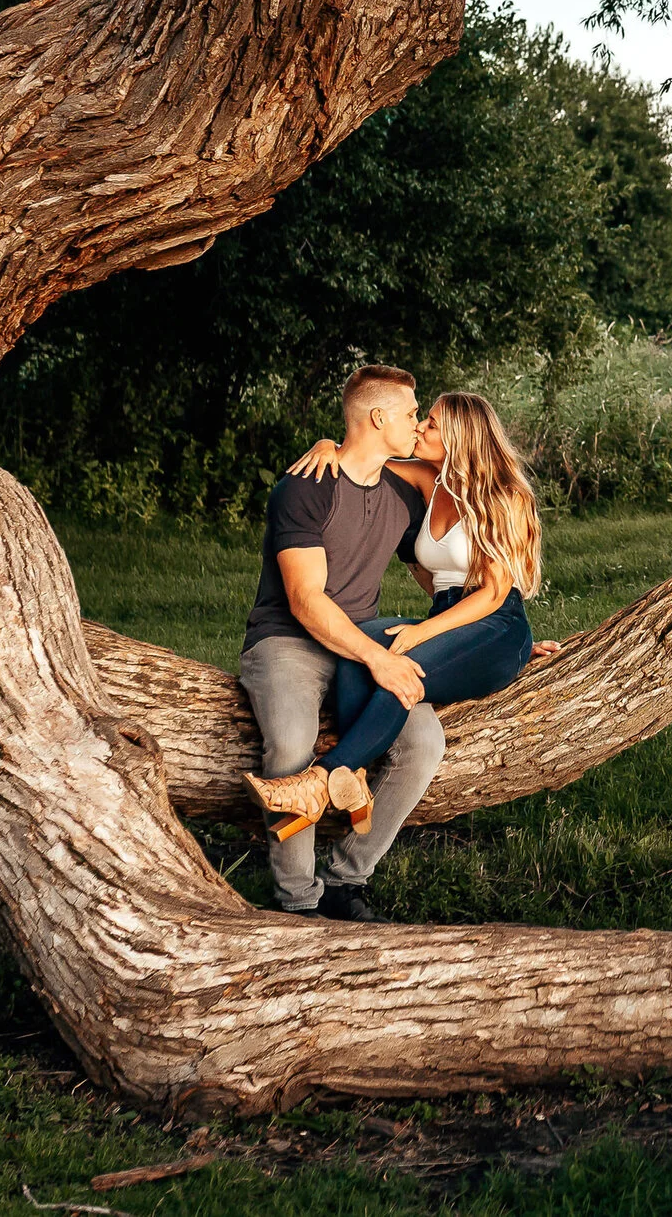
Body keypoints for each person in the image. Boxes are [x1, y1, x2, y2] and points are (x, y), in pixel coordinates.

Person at [236, 363, 442, 923]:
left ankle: (346, 882)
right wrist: (377, 658)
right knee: (291, 745)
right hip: (286, 642)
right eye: (408, 413)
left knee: (424, 742)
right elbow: (305, 600)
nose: (417, 422)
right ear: (378, 418)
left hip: (362, 643)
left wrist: (504, 632)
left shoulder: (404, 492)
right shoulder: (305, 487)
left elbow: (438, 576)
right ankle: (299, 901)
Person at [280, 390, 551, 805]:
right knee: (361, 647)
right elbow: (366, 454)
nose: (420, 426)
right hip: (452, 619)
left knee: (400, 672)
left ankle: (321, 780)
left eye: (433, 423)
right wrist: (326, 446)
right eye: (422, 417)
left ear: (461, 437)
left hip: (497, 623)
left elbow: (495, 592)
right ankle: (356, 783)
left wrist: (427, 632)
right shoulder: (430, 480)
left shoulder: (503, 495)